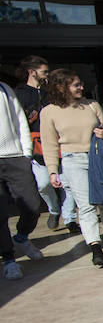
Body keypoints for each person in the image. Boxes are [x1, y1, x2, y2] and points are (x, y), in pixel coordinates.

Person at [39, 69, 103, 268]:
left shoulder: (92, 105)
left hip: (98, 157)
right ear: (61, 87)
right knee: (85, 205)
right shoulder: (49, 112)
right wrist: (52, 170)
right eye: (76, 85)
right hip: (72, 160)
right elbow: (49, 144)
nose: (81, 88)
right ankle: (95, 247)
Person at [1, 78, 44, 279]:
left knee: (33, 204)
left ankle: (21, 237)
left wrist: (26, 152)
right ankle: (9, 260)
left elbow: (19, 119)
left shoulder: (5, 89)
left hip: (15, 156)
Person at [15, 56, 60, 227]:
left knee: (66, 183)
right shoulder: (19, 93)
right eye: (44, 72)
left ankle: (69, 218)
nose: (47, 75)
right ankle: (54, 208)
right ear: (31, 72)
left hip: (57, 140)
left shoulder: (51, 92)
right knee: (43, 183)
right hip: (35, 143)